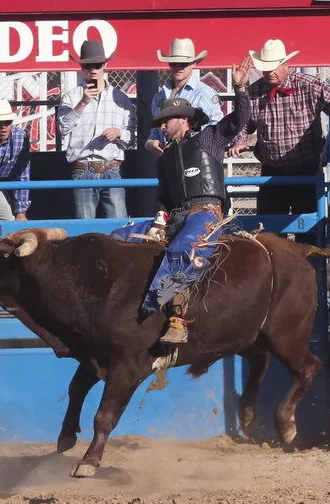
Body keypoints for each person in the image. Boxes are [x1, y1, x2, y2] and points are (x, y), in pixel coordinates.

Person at [114, 58, 251, 344]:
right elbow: (163, 197)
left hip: (207, 213)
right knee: (120, 237)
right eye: (161, 122)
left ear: (184, 120)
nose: (162, 127)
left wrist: (240, 88)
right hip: (176, 216)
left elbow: (238, 120)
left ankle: (176, 318)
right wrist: (158, 219)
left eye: (166, 121)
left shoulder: (210, 139)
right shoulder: (164, 159)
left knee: (185, 247)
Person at [229, 39, 330, 243]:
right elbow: (242, 122)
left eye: (274, 67)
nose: (269, 72)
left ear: (287, 64)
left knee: (310, 233)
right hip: (272, 173)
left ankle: (314, 272)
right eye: (265, 68)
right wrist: (240, 140)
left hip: (305, 172)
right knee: (269, 235)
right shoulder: (254, 92)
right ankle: (275, 274)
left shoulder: (307, 85)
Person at [58, 39, 136, 219]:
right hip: (82, 168)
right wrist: (83, 103)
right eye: (87, 65)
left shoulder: (121, 99)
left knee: (118, 227)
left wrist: (118, 133)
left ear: (104, 65)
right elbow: (63, 128)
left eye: (97, 65)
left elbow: (132, 136)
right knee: (86, 232)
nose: (92, 69)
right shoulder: (72, 97)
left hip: (112, 168)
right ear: (82, 68)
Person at [146, 38, 223, 158]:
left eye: (183, 63)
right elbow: (156, 131)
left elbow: (216, 129)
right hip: (169, 161)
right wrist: (151, 142)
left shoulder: (205, 93)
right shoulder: (158, 97)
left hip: (197, 160)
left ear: (193, 64)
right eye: (173, 63)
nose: (178, 67)